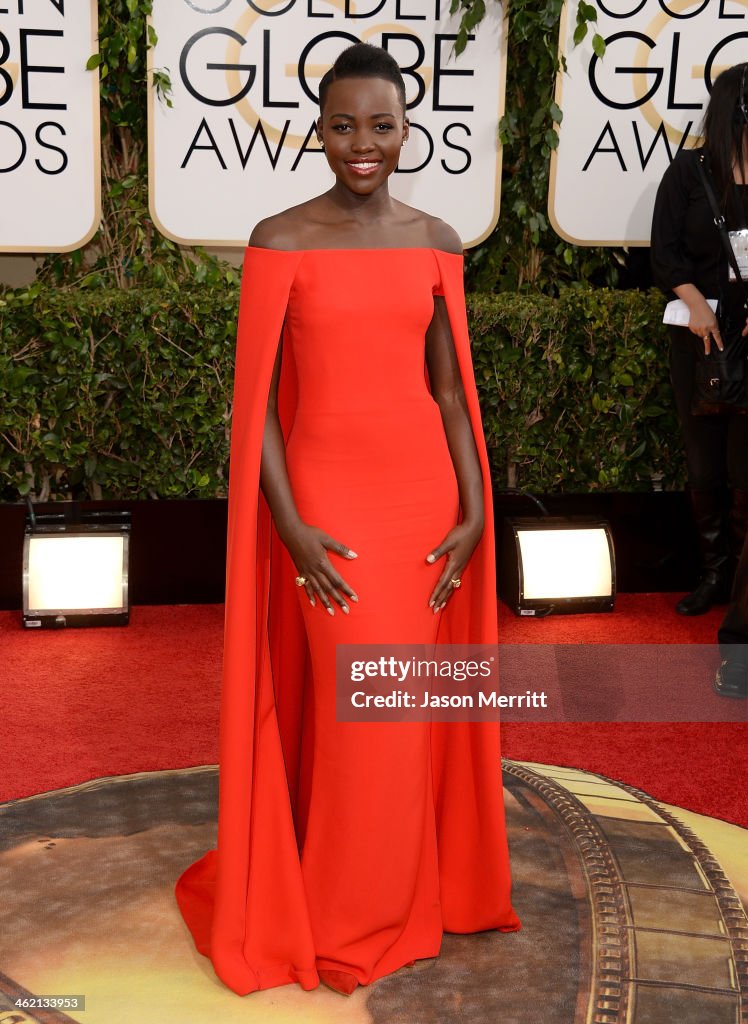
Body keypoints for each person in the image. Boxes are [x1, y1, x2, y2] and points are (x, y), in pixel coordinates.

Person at [174, 42, 520, 997]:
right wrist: (288, 526)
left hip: (423, 503)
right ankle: (344, 909)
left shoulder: (439, 240)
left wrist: (475, 503)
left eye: (382, 125)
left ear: (409, 131)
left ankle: (403, 889)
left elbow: (450, 393)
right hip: (327, 506)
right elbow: (257, 413)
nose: (362, 144)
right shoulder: (280, 240)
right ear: (317, 131)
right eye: (342, 125)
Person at [651, 62, 748, 616]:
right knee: (704, 464)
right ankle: (714, 574)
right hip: (698, 337)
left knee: (744, 469)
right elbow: (664, 252)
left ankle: (742, 582)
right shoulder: (690, 172)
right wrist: (696, 308)